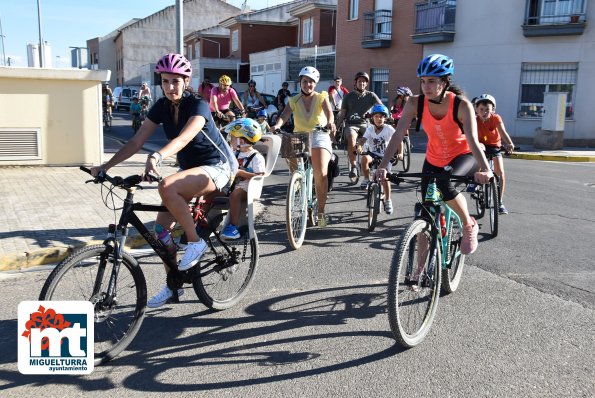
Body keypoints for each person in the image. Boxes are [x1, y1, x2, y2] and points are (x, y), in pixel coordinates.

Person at [90, 53, 235, 308]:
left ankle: (195, 242)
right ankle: (172, 286)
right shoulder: (161, 106)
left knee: (166, 186)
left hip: (218, 167)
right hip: (191, 171)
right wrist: (105, 166)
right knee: (161, 235)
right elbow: (136, 141)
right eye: (165, 81)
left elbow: (184, 139)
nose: (169, 87)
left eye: (175, 81)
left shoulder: (198, 105)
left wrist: (156, 156)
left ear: (186, 80)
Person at [375, 54, 493, 255]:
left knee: (444, 185)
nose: (426, 86)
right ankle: (419, 271)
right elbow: (397, 135)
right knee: (426, 213)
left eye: (431, 81)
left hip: (463, 156)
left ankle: (468, 225)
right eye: (423, 81)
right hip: (433, 159)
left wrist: (485, 169)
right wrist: (383, 165)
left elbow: (473, 141)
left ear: (445, 82)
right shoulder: (415, 103)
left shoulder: (461, 105)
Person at [270, 66, 337, 227]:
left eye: (311, 82)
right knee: (288, 150)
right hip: (300, 135)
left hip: (319, 134)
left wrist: (330, 123)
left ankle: (320, 212)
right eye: (305, 81)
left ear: (315, 84)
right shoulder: (294, 100)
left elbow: (329, 113)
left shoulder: (322, 97)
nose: (308, 85)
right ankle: (298, 181)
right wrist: (277, 125)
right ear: (300, 82)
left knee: (321, 173)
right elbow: (285, 115)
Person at [221, 119, 266, 240]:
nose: (231, 140)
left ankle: (233, 226)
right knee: (214, 190)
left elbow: (259, 176)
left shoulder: (257, 157)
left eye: (233, 138)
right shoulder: (235, 154)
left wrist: (241, 173)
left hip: (249, 188)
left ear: (243, 140)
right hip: (234, 185)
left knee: (235, 195)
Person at [335, 71, 382, 180]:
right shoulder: (348, 97)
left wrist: (387, 116)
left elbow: (381, 107)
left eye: (364, 82)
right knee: (351, 138)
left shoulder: (371, 95)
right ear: (355, 83)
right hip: (351, 125)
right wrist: (336, 127)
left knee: (375, 138)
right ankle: (353, 166)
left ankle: (373, 161)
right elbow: (342, 114)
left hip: (365, 124)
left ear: (366, 84)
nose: (362, 83)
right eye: (359, 81)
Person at [474, 93, 515, 214]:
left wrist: (510, 143)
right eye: (481, 109)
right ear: (476, 109)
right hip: (480, 145)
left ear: (493, 110)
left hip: (494, 146)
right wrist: (476, 144)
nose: (484, 112)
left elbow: (502, 132)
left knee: (500, 172)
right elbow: (470, 135)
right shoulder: (474, 120)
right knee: (478, 162)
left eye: (488, 109)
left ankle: (500, 202)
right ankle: (475, 184)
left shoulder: (496, 118)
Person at [357, 104, 395, 215]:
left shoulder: (388, 129)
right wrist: (359, 146)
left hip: (385, 156)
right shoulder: (370, 129)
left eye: (382, 116)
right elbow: (363, 140)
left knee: (385, 178)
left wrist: (400, 153)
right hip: (372, 154)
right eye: (376, 116)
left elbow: (399, 141)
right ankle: (366, 179)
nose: (379, 119)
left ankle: (388, 200)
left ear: (385, 118)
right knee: (364, 158)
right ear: (372, 118)